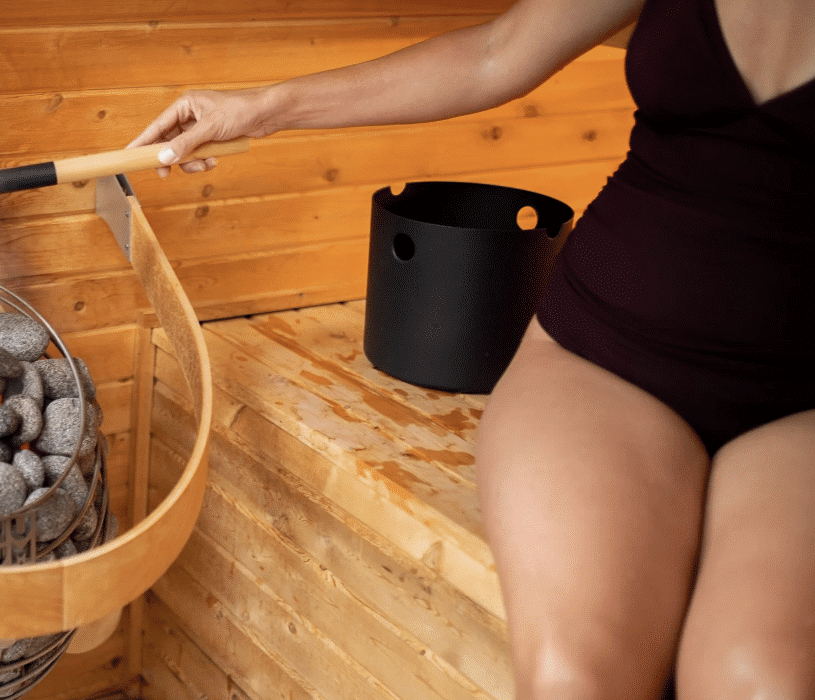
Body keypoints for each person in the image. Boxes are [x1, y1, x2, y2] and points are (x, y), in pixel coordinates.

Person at [127, 0, 815, 698]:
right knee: (573, 681)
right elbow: (498, 51)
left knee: (762, 682)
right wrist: (259, 108)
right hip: (604, 354)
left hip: (801, 402)